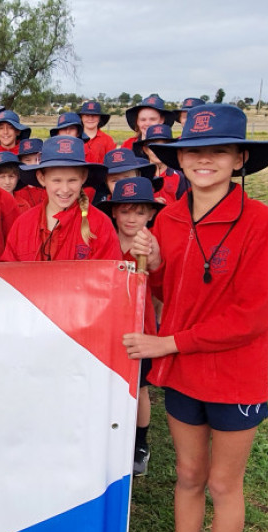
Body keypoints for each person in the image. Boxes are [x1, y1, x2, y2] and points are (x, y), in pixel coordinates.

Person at [123, 104, 268, 532]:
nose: (203, 160)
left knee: (222, 483)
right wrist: (150, 259)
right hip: (185, 375)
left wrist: (169, 341)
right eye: (193, 151)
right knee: (188, 477)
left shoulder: (260, 221)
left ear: (240, 158)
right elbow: (171, 290)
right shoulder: (167, 216)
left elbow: (257, 312)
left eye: (217, 150)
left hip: (234, 376)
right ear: (180, 159)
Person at [97, 177, 163, 476]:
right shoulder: (103, 239)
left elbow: (161, 283)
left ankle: (140, 442)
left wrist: (153, 259)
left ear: (150, 213)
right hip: (108, 324)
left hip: (140, 325)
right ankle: (109, 436)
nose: (132, 218)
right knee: (108, 384)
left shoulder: (150, 244)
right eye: (125, 211)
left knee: (139, 387)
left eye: (139, 212)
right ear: (114, 213)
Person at [0, 135, 120, 262]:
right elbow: (8, 273)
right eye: (56, 180)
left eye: (72, 180)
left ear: (83, 178)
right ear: (42, 178)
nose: (65, 189)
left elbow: (110, 277)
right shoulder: (23, 224)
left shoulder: (100, 225)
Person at [136, 124, 189, 203]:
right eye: (153, 147)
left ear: (170, 149)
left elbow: (184, 204)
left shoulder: (180, 177)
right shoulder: (138, 175)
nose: (158, 151)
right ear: (145, 150)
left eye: (163, 146)